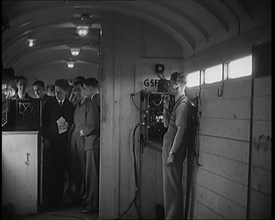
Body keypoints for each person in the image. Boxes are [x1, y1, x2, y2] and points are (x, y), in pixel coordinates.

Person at [162, 72, 192, 219]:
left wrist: (172, 153)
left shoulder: (183, 105)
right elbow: (167, 125)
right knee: (168, 187)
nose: (168, 87)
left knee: (172, 188)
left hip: (173, 151)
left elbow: (181, 130)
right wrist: (166, 107)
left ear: (176, 85)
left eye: (170, 84)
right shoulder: (177, 104)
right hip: (169, 149)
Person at [41, 79, 74, 210]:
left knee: (60, 172)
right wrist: (45, 138)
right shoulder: (48, 103)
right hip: (50, 142)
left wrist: (69, 125)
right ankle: (48, 200)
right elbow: (43, 122)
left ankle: (58, 200)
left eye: (59, 92)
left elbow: (71, 121)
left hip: (62, 143)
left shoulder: (69, 105)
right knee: (49, 172)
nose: (56, 95)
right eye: (55, 92)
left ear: (66, 92)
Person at [80, 77, 100, 214]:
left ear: (91, 88)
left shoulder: (93, 102)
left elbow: (93, 125)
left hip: (92, 143)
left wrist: (83, 131)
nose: (84, 91)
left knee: (92, 177)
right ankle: (93, 202)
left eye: (85, 88)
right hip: (94, 143)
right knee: (93, 175)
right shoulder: (98, 100)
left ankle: (92, 205)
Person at [66, 78, 87, 203]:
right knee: (74, 168)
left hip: (83, 139)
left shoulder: (88, 104)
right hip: (73, 139)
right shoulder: (76, 105)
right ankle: (77, 193)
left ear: (84, 90)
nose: (76, 93)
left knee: (84, 167)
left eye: (78, 90)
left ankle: (86, 194)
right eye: (74, 90)